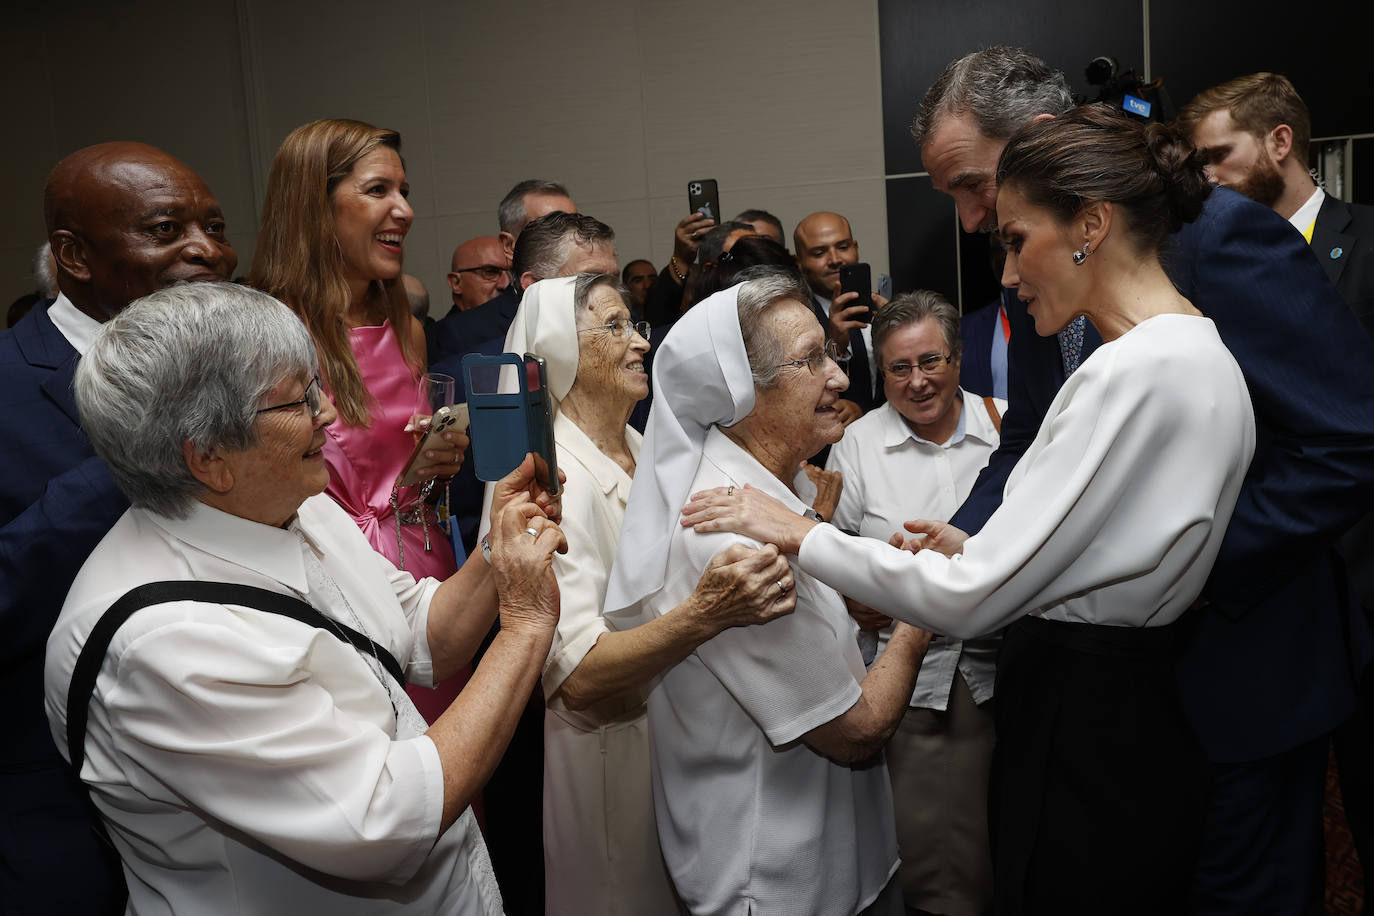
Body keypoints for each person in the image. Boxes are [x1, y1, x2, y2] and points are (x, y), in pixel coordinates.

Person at [682, 109, 1257, 913]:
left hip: (1090, 713)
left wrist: (799, 531)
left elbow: (969, 599)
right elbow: (1114, 542)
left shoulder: (1128, 371)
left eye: (1017, 240)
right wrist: (979, 541)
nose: (1011, 276)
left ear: (1091, 224)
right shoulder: (1204, 348)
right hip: (1145, 699)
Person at [914, 48, 1374, 912]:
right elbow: (1028, 444)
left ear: (1050, 146)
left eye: (974, 184)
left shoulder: (1225, 239)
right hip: (1113, 701)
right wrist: (974, 536)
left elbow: (1347, 440)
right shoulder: (1036, 268)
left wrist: (1194, 565)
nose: (976, 219)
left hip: (1245, 672)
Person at [45, 280, 565, 915]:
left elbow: (417, 635)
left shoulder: (298, 504)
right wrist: (525, 629)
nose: (328, 414)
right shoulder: (165, 642)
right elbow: (384, 820)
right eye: (299, 401)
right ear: (209, 457)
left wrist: (496, 545)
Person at [603, 270, 934, 916]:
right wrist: (919, 614)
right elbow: (857, 730)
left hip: (840, 864)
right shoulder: (725, 536)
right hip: (782, 884)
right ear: (739, 393)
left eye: (829, 353)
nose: (839, 378)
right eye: (811, 360)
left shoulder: (778, 492)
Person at [501, 274, 798, 913]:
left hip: (681, 753)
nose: (640, 342)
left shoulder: (646, 447)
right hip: (609, 767)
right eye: (614, 326)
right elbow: (575, 676)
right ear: (559, 350)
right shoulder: (548, 481)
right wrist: (706, 613)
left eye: (635, 324)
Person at [0, 140, 238, 914]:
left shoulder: (240, 373)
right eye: (167, 229)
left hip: (239, 773)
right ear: (73, 256)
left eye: (214, 225)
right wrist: (139, 443)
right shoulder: (6, 385)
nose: (206, 250)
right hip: (62, 805)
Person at [249, 118, 468, 722]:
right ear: (314, 207)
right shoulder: (268, 337)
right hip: (327, 582)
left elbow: (406, 484)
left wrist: (430, 469)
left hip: (425, 571)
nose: (404, 210)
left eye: (405, 192)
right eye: (378, 191)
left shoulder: (407, 329)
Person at [826, 290, 1004, 916]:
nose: (918, 381)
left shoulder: (1008, 428)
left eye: (931, 361)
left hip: (1017, 673)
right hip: (914, 688)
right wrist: (855, 596)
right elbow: (831, 551)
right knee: (937, 855)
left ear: (958, 358)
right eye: (898, 368)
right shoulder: (857, 445)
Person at [794, 211, 883, 418]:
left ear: (856, 248)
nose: (835, 260)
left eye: (843, 247)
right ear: (799, 262)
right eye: (819, 253)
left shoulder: (882, 306)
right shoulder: (795, 319)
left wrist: (894, 334)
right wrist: (834, 347)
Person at [445, 235, 512, 316]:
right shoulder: (445, 328)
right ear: (456, 283)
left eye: (511, 273)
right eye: (490, 272)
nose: (506, 284)